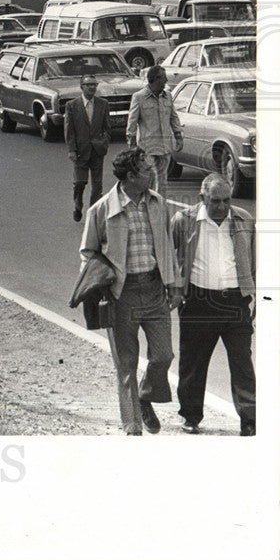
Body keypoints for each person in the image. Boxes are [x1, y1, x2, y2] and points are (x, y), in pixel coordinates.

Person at [80, 148, 182, 436]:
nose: (152, 173)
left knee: (163, 355)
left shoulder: (157, 203)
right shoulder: (101, 210)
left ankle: (145, 395)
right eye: (146, 170)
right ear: (130, 177)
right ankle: (132, 427)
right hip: (120, 295)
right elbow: (87, 253)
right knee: (126, 363)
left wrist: (173, 285)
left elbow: (165, 246)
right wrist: (99, 289)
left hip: (153, 290)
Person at [171, 173, 255, 436]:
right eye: (215, 201)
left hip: (235, 302)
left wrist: (254, 296)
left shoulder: (244, 220)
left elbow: (254, 260)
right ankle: (191, 416)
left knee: (242, 363)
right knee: (193, 363)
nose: (221, 207)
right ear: (202, 198)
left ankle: (249, 419)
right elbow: (171, 258)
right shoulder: (183, 221)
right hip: (198, 301)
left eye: (226, 200)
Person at [125, 65, 183, 196]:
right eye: (163, 78)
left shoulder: (167, 95)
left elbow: (173, 117)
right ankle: (146, 205)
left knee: (162, 181)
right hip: (147, 148)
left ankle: (159, 207)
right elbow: (132, 122)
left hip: (164, 146)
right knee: (148, 180)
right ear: (155, 79)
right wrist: (132, 145)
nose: (166, 81)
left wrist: (178, 135)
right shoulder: (139, 97)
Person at [64, 73, 111, 222]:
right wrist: (71, 149)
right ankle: (78, 204)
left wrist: (104, 142)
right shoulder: (72, 105)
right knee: (79, 182)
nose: (92, 87)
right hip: (80, 151)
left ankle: (93, 213)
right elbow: (69, 129)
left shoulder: (103, 104)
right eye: (89, 84)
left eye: (94, 84)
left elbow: (107, 127)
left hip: (97, 150)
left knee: (97, 185)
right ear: (81, 87)